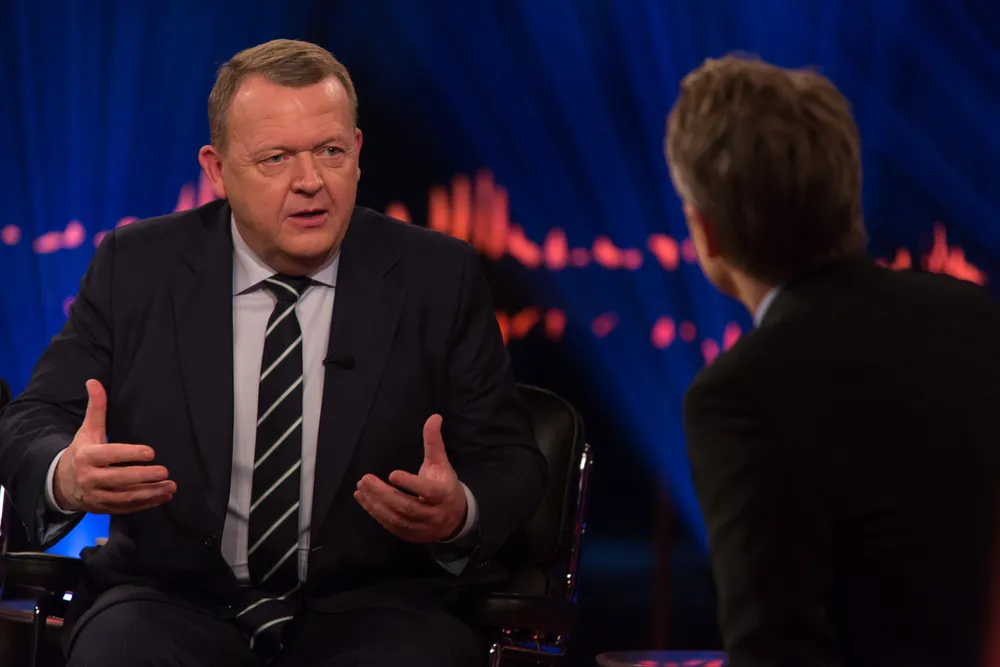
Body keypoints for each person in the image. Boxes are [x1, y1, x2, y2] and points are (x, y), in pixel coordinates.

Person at [0, 39, 546, 667]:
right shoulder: (138, 266)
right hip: (169, 601)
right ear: (217, 170)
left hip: (381, 607)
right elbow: (32, 419)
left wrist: (459, 513)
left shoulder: (437, 276)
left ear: (358, 153)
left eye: (330, 151)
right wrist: (66, 474)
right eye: (276, 158)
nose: (310, 181)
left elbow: (508, 458)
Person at [666, 55, 1000, 667]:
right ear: (847, 193)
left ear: (706, 232)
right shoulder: (978, 319)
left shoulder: (738, 396)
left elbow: (774, 648)